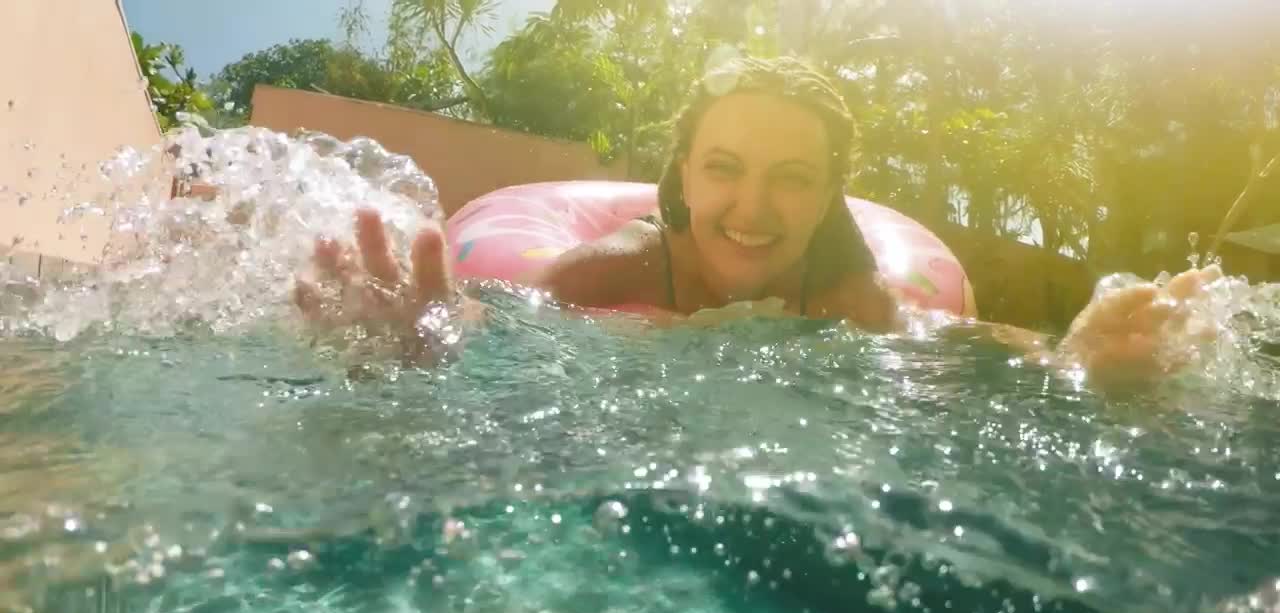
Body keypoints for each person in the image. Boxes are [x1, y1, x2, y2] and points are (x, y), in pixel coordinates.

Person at [292, 55, 1222, 386]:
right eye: (725, 170)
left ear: (826, 200)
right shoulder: (616, 268)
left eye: (791, 180)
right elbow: (501, 326)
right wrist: (418, 337)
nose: (752, 207)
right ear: (684, 180)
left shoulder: (846, 289)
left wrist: (1077, 355)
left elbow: (963, 344)